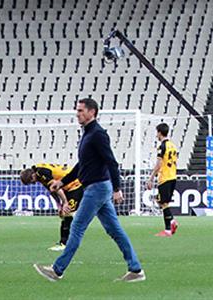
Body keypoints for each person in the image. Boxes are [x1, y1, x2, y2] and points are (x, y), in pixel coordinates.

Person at [34, 98, 144, 283]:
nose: (77, 114)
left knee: (77, 227)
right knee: (115, 230)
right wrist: (62, 182)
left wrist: (117, 188)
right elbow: (81, 165)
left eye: (80, 110)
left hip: (97, 188)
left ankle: (57, 270)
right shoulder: (88, 134)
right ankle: (136, 269)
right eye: (77, 110)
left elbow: (112, 162)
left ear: (92, 112)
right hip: (97, 187)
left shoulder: (98, 134)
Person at [20, 163, 85, 251]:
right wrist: (59, 205)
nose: (33, 183)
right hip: (68, 186)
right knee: (65, 214)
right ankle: (65, 242)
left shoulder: (41, 173)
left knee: (67, 213)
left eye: (31, 182)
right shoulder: (39, 173)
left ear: (32, 175)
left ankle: (65, 243)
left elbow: (57, 188)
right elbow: (52, 190)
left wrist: (65, 203)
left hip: (75, 184)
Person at [146, 123, 179, 237]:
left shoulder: (162, 146)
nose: (156, 135)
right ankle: (172, 222)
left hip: (164, 177)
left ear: (159, 133)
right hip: (173, 176)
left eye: (157, 132)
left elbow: (159, 164)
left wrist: (151, 178)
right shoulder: (173, 145)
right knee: (162, 202)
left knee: (163, 203)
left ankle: (168, 229)